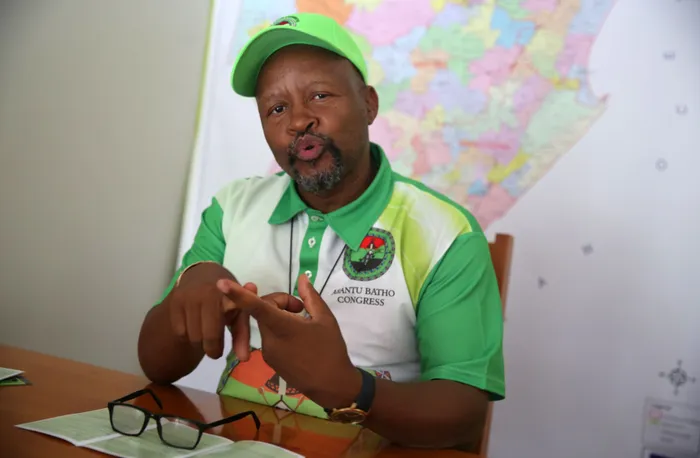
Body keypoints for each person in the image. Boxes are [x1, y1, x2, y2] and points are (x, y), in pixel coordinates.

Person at [137, 12, 505, 450]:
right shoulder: (232, 208)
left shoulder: (445, 232)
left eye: (320, 95)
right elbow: (157, 366)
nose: (298, 121)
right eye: (276, 108)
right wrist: (193, 283)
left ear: (368, 104)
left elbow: (463, 415)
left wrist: (349, 388)